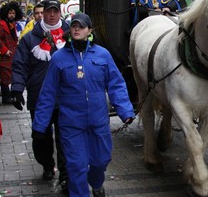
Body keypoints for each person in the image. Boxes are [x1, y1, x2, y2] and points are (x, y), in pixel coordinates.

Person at [32, 13, 135, 197]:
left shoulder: (102, 55)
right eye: (74, 26)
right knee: (76, 167)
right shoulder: (59, 58)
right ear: (70, 30)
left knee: (100, 161)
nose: (77, 29)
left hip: (99, 123)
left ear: (90, 31)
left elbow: (116, 84)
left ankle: (96, 183)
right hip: (72, 125)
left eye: (81, 26)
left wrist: (125, 111)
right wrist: (39, 125)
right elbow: (47, 94)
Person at [10, 0, 69, 192]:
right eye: (48, 12)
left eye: (55, 11)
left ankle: (66, 175)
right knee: (40, 137)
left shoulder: (72, 34)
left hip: (66, 98)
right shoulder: (29, 38)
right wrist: (17, 89)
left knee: (65, 138)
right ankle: (46, 164)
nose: (51, 15)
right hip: (40, 97)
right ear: (42, 14)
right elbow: (20, 65)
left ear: (60, 13)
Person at [0, 1, 24, 104]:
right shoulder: (2, 24)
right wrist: (4, 50)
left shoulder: (12, 24)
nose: (12, 15)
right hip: (6, 55)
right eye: (10, 13)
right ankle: (6, 97)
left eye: (13, 13)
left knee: (9, 74)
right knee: (5, 75)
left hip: (12, 53)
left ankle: (9, 94)